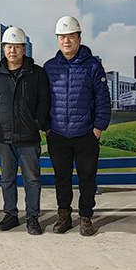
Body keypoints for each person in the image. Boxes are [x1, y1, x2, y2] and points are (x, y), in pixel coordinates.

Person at [44, 15, 111, 236]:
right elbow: (43, 100)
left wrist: (97, 129)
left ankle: (85, 217)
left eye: (71, 36)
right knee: (61, 178)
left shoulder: (93, 66)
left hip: (85, 134)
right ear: (57, 39)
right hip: (58, 134)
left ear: (79, 39)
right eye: (62, 37)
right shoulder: (49, 67)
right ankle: (64, 215)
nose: (66, 41)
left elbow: (103, 100)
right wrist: (47, 128)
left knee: (87, 178)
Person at [0, 26, 51, 235]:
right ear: (3, 49)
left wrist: (37, 123)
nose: (12, 51)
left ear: (24, 49)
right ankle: (10, 214)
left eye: (16, 46)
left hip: (29, 137)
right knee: (7, 179)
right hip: (4, 137)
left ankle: (32, 217)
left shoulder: (37, 73)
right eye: (8, 47)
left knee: (32, 179)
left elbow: (44, 101)